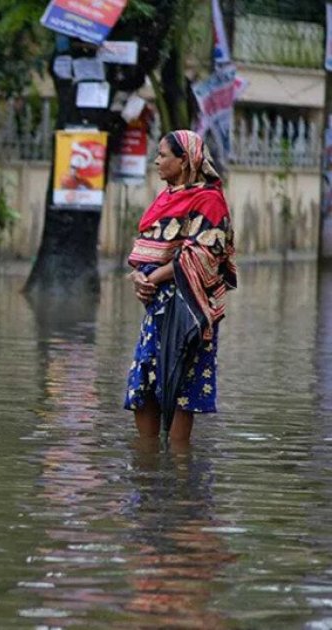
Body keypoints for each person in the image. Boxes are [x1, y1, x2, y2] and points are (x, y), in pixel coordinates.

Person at [125, 130, 237, 444]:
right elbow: (147, 249)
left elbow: (202, 255)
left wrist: (154, 277)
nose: (156, 161)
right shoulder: (167, 197)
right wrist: (139, 278)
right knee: (144, 384)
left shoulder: (210, 200)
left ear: (184, 160)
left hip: (190, 308)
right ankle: (149, 466)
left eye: (163, 155)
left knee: (181, 387)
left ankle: (178, 471)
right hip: (156, 308)